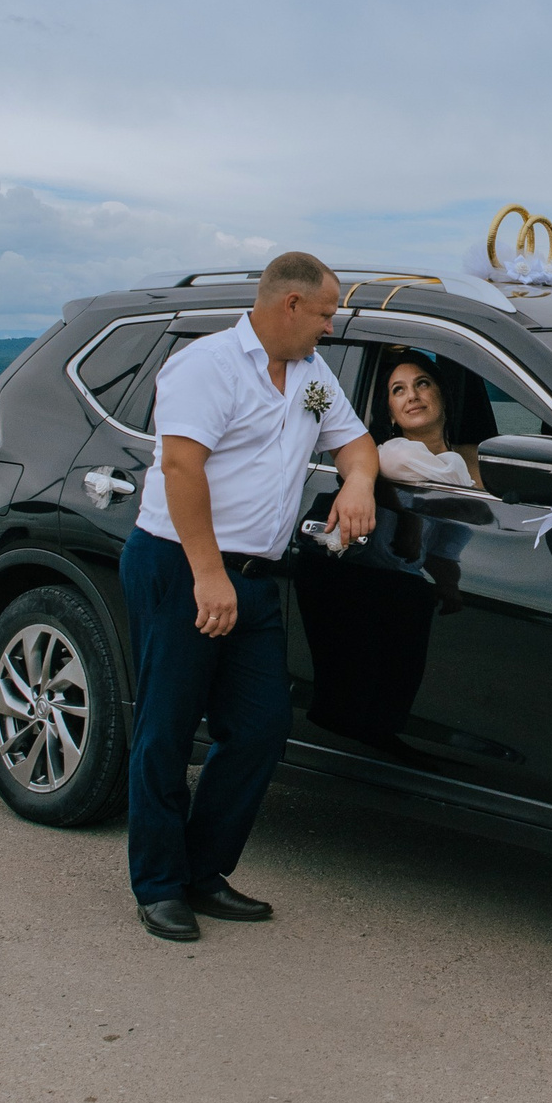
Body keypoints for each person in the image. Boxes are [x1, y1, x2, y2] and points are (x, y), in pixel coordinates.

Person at [119, 251, 378, 944]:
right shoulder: (207, 366)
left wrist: (358, 482)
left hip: (257, 578)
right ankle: (159, 885)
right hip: (182, 565)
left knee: (261, 728)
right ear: (290, 305)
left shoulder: (311, 374)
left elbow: (355, 442)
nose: (331, 326)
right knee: (167, 730)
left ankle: (203, 871)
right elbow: (181, 466)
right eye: (325, 313)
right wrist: (208, 576)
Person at [372, 347, 482, 610]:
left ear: (442, 394)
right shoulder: (392, 457)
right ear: (391, 413)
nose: (412, 395)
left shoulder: (479, 454)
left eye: (422, 383)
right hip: (405, 592)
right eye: (399, 390)